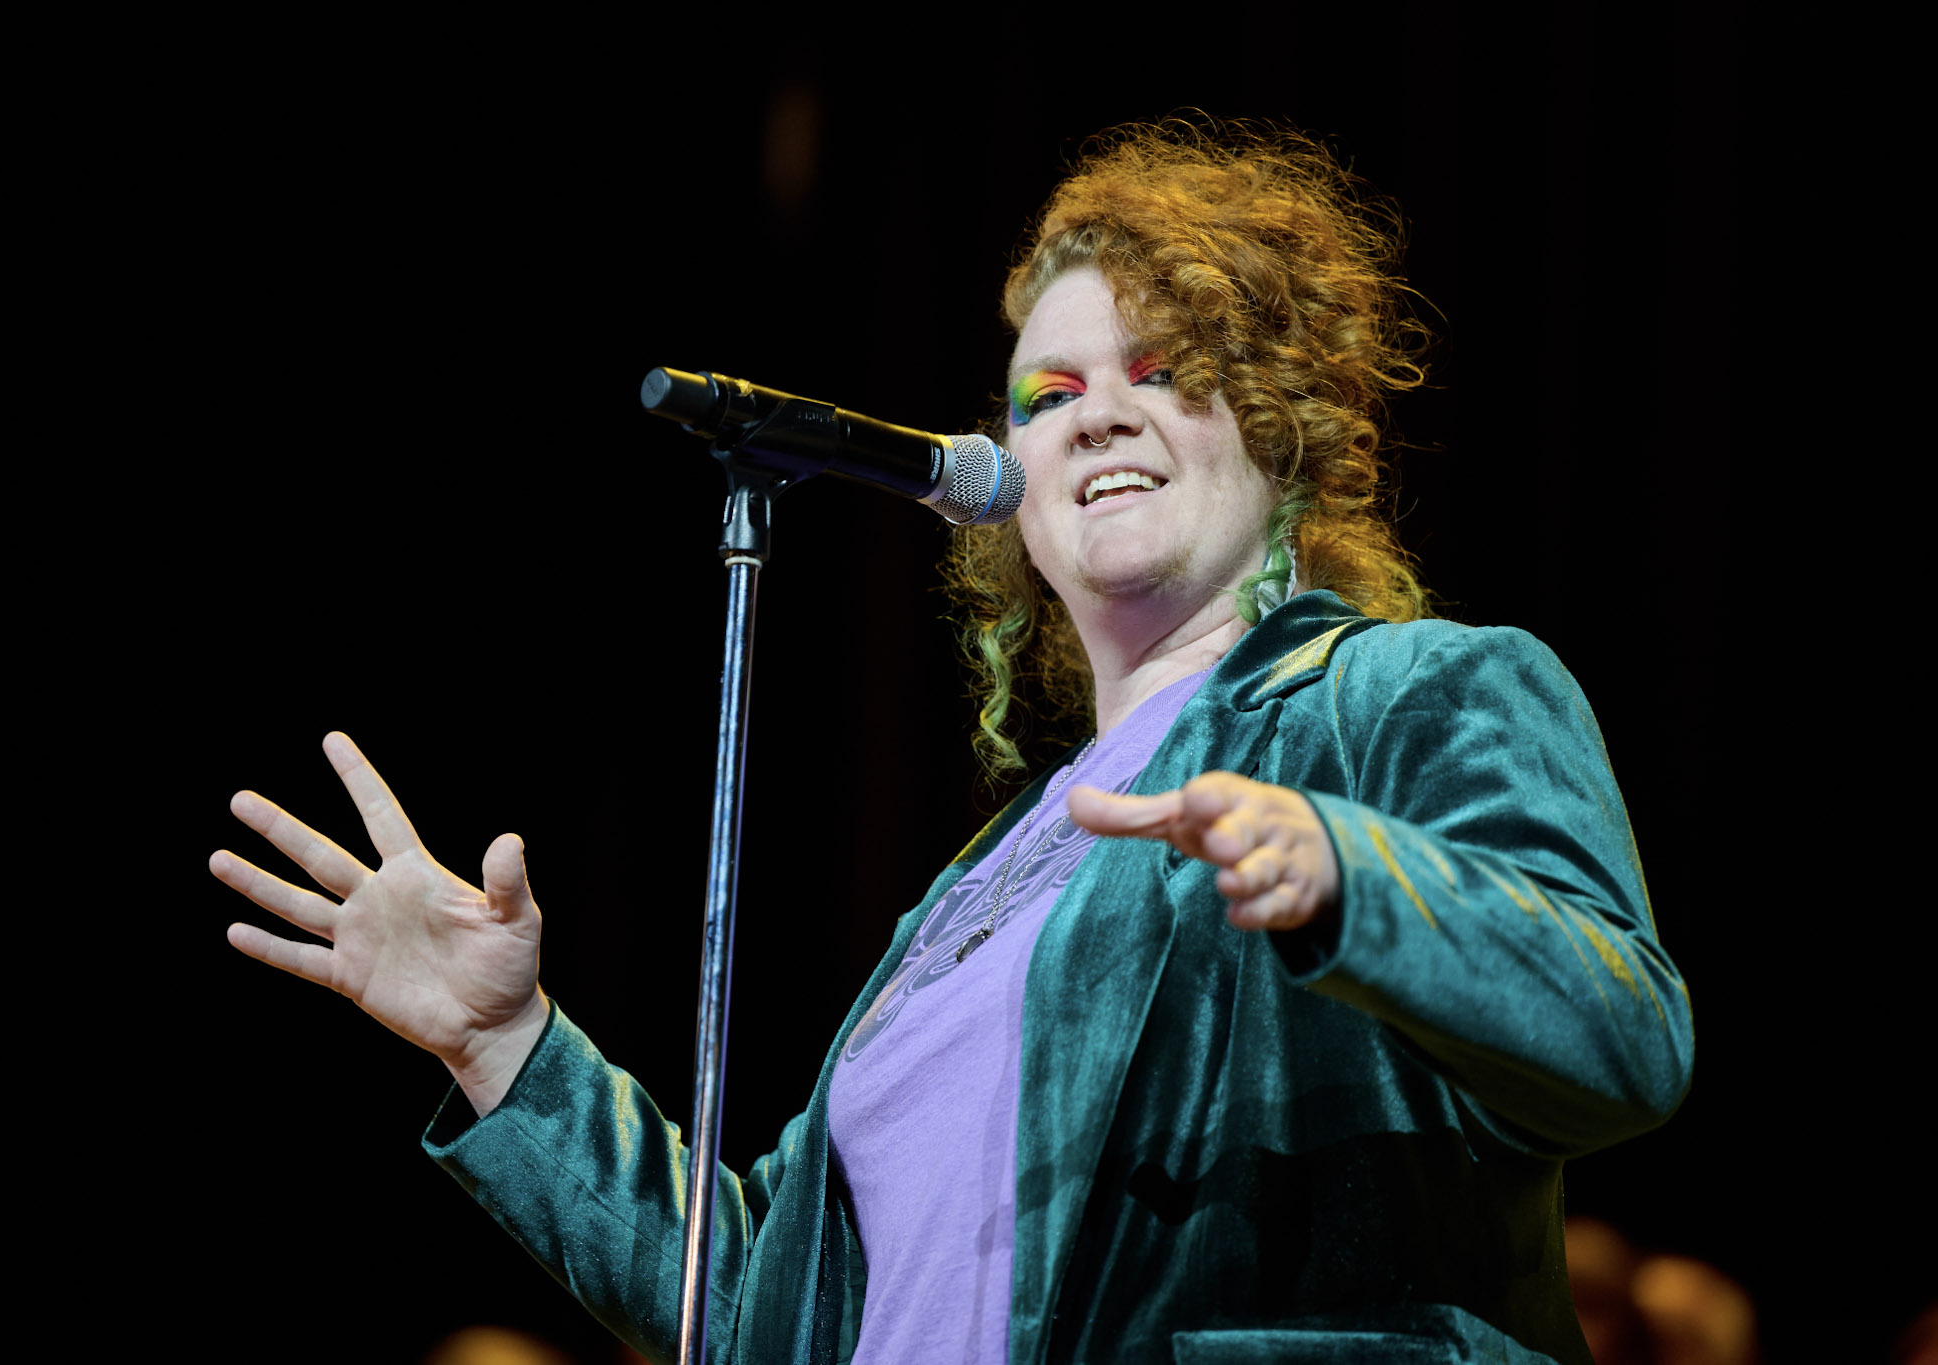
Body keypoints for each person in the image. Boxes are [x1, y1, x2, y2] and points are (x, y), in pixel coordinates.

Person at [214, 123, 1693, 1365]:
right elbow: (763, 1311)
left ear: (1284, 420)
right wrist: (507, 1051)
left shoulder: (1408, 698)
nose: (1096, 414)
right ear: (1009, 492)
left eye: (1161, 366)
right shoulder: (985, 883)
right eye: (1048, 395)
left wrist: (1349, 876)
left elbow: (1624, 1037)